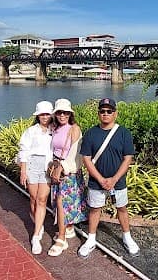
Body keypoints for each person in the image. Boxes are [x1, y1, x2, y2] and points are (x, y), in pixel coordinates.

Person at [78, 98, 139, 257]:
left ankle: (127, 237)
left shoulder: (123, 133)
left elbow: (127, 158)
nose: (105, 114)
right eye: (102, 111)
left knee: (122, 209)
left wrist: (114, 179)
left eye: (109, 111)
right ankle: (91, 239)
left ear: (115, 114)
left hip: (117, 182)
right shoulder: (91, 133)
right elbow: (86, 158)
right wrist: (100, 179)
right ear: (98, 113)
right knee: (95, 209)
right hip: (96, 182)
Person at [46, 98, 88, 257]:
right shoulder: (55, 128)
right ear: (55, 114)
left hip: (68, 171)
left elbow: (75, 154)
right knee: (59, 201)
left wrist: (63, 168)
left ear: (70, 114)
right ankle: (68, 227)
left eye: (65, 112)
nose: (62, 115)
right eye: (59, 112)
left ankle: (61, 238)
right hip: (56, 167)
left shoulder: (74, 129)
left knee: (61, 203)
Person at [18, 100, 54, 255]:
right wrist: (23, 171)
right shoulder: (31, 131)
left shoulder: (55, 130)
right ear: (38, 115)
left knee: (42, 200)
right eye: (42, 114)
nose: (44, 117)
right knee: (33, 197)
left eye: (47, 114)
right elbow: (24, 151)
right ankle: (37, 221)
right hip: (33, 165)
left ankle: (36, 235)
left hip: (47, 166)